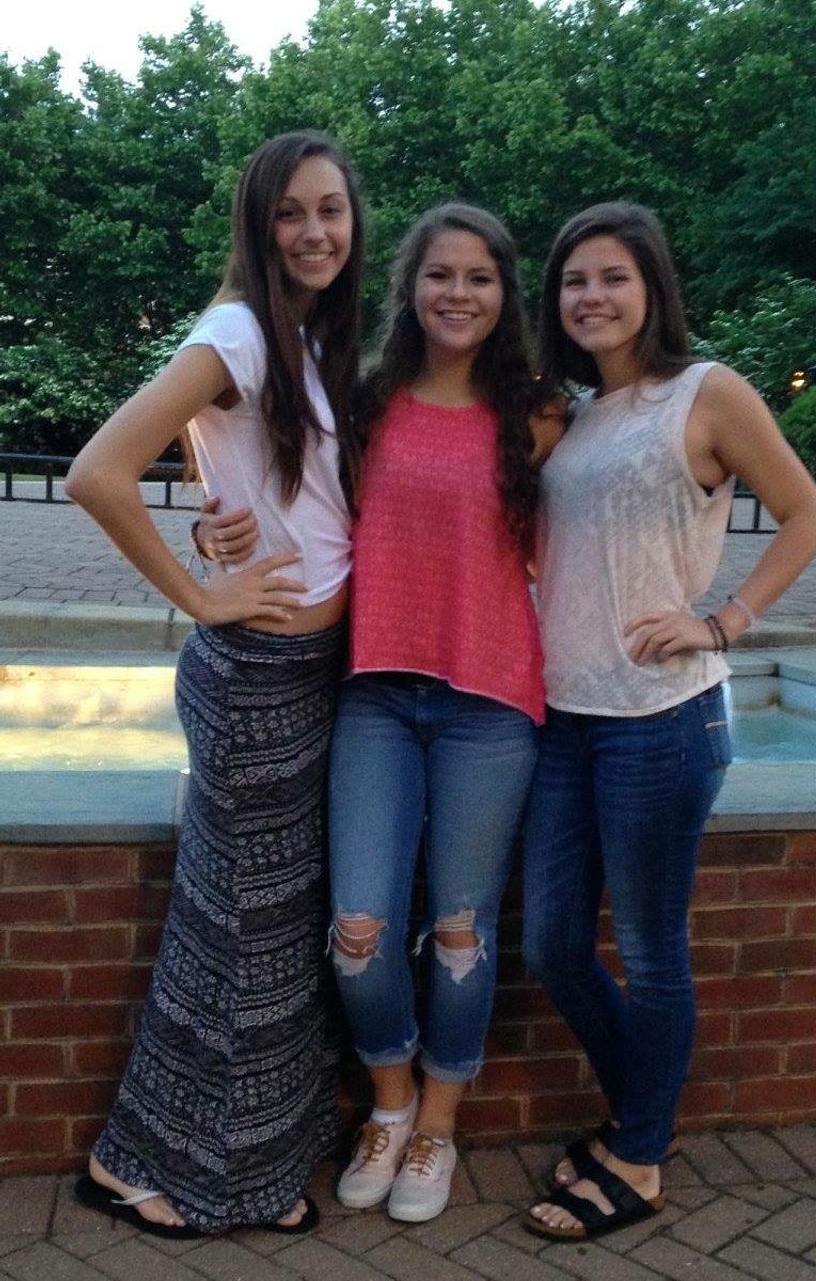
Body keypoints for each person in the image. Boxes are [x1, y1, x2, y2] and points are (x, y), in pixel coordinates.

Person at [198, 202, 562, 1223]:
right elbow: (269, 483)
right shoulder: (365, 400)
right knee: (357, 927)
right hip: (374, 696)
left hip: (491, 703)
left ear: (504, 294)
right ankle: (389, 1104)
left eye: (479, 277)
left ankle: (438, 1126)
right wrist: (216, 531)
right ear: (409, 288)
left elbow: (608, 518)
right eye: (439, 274)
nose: (458, 293)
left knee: (458, 929)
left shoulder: (540, 413)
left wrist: (711, 613)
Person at [64, 130, 364, 1237]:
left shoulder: (304, 336)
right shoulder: (238, 330)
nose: (314, 231)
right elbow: (98, 471)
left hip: (308, 670)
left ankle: (252, 1163)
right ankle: (134, 1161)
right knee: (236, 933)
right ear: (258, 222)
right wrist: (201, 593)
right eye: (291, 211)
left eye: (331, 209)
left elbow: (244, 475)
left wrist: (219, 521)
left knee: (269, 931)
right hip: (257, 677)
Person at [521, 202, 816, 1241]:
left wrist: (723, 620)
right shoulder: (572, 413)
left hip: (660, 718)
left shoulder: (705, 392)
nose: (591, 296)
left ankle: (640, 1155)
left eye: (613, 276)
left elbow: (806, 513)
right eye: (574, 280)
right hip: (563, 716)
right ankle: (641, 1117)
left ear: (651, 286)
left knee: (651, 950)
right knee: (552, 944)